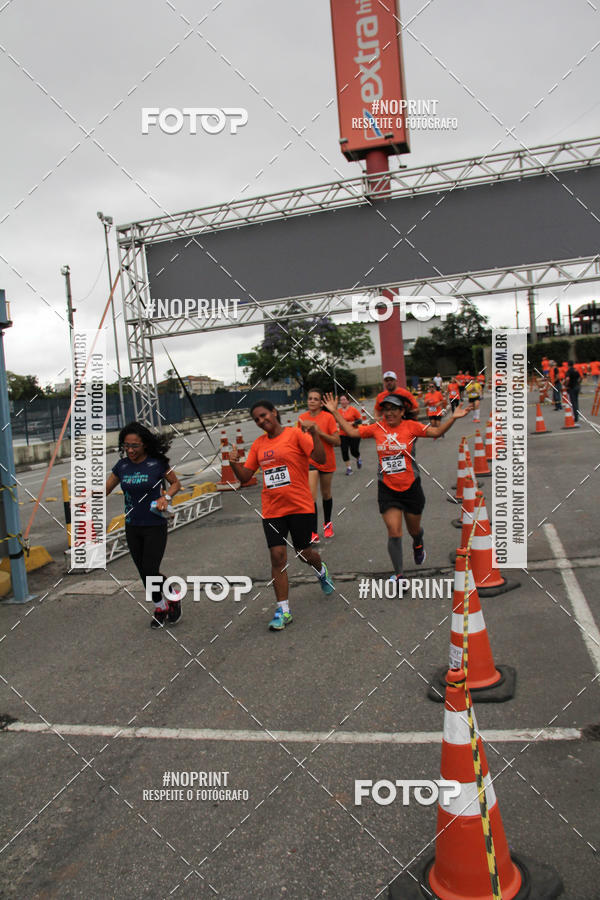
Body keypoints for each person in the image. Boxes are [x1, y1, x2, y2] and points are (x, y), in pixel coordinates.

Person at [323, 392, 468, 581]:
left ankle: (418, 542)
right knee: (394, 532)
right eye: (386, 410)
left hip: (411, 487)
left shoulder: (411, 426)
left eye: (393, 409)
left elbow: (436, 432)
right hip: (387, 488)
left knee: (414, 530)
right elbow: (351, 432)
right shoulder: (377, 428)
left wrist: (453, 418)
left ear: (402, 412)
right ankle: (399, 575)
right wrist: (335, 412)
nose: (389, 413)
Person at [229, 400, 334, 631]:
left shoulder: (295, 435)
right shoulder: (258, 444)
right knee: (277, 557)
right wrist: (233, 463)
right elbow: (245, 477)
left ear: (274, 412)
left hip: (300, 506)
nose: (261, 421)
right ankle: (283, 610)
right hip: (272, 510)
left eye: (264, 415)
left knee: (304, 553)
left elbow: (321, 459)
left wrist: (315, 435)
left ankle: (321, 570)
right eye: (257, 419)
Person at [106, 422, 182, 628]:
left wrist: (166, 497)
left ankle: (173, 596)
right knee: (143, 572)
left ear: (145, 445)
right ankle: (160, 606)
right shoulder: (122, 466)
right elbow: (106, 489)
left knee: (150, 569)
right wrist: (86, 497)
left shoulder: (157, 463)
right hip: (132, 525)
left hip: (154, 524)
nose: (130, 450)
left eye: (134, 446)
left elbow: (176, 484)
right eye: (126, 446)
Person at [297, 388, 340, 541]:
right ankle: (313, 531)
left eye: (315, 399)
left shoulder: (328, 418)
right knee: (311, 496)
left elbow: (337, 441)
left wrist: (319, 432)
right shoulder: (302, 418)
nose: (312, 401)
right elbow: (298, 440)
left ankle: (328, 524)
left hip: (327, 460)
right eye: (310, 398)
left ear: (321, 403)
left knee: (326, 494)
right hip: (310, 462)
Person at [338, 393, 362, 475]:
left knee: (353, 451)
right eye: (341, 400)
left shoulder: (353, 410)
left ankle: (358, 458)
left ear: (348, 401)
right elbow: (335, 422)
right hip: (343, 434)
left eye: (344, 399)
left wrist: (352, 423)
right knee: (344, 451)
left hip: (354, 433)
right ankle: (349, 468)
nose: (342, 401)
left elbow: (360, 420)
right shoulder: (338, 412)